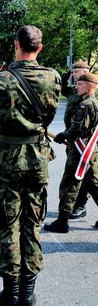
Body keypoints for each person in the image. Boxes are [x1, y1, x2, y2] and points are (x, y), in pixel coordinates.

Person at [0, 25, 61, 306]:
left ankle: (10, 293)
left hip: (9, 157)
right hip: (37, 156)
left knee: (9, 222)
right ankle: (28, 293)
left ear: (16, 46)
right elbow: (49, 114)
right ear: (40, 48)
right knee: (33, 221)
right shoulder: (52, 77)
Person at [44, 72, 98, 233]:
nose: (77, 86)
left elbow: (76, 129)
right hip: (91, 149)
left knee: (69, 185)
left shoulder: (86, 105)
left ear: (90, 87)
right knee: (93, 184)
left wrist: (62, 136)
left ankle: (62, 221)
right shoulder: (95, 102)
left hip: (81, 151)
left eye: (80, 84)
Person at [59, 61, 92, 219]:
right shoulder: (74, 90)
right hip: (73, 140)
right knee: (81, 175)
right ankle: (73, 204)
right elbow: (63, 88)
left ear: (86, 71)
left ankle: (80, 205)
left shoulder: (93, 91)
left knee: (83, 176)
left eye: (77, 72)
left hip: (86, 142)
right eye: (73, 72)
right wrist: (67, 74)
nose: (74, 75)